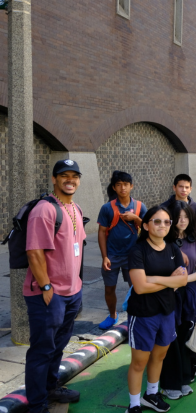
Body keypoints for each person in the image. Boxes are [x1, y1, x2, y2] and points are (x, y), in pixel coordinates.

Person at [24, 160, 85, 413]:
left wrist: (77, 287)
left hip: (72, 292)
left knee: (58, 346)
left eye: (74, 176)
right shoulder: (44, 210)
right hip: (49, 294)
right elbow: (35, 252)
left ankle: (51, 387)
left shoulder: (75, 208)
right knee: (42, 349)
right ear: (54, 179)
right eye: (64, 175)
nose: (69, 180)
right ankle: (37, 405)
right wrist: (47, 287)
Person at [126, 206, 189, 413]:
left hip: (167, 311)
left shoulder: (172, 248)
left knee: (159, 356)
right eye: (157, 221)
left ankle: (151, 394)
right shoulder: (137, 250)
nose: (162, 225)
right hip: (143, 313)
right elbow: (140, 287)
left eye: (166, 222)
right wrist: (170, 281)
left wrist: (157, 279)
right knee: (139, 362)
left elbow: (182, 280)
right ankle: (134, 404)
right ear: (146, 225)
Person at [159, 202, 196, 400]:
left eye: (185, 217)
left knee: (186, 336)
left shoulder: (195, 240)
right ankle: (170, 384)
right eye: (178, 217)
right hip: (170, 295)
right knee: (171, 339)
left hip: (189, 294)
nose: (182, 221)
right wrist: (175, 282)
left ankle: (184, 379)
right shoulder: (164, 241)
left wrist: (184, 279)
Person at [97, 171, 147, 330]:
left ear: (131, 186)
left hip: (133, 255)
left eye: (125, 184)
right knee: (109, 288)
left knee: (136, 288)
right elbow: (101, 232)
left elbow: (148, 227)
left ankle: (136, 316)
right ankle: (112, 316)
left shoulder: (139, 206)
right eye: (118, 185)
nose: (122, 188)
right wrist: (104, 256)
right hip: (112, 255)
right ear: (114, 187)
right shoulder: (107, 208)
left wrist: (136, 219)